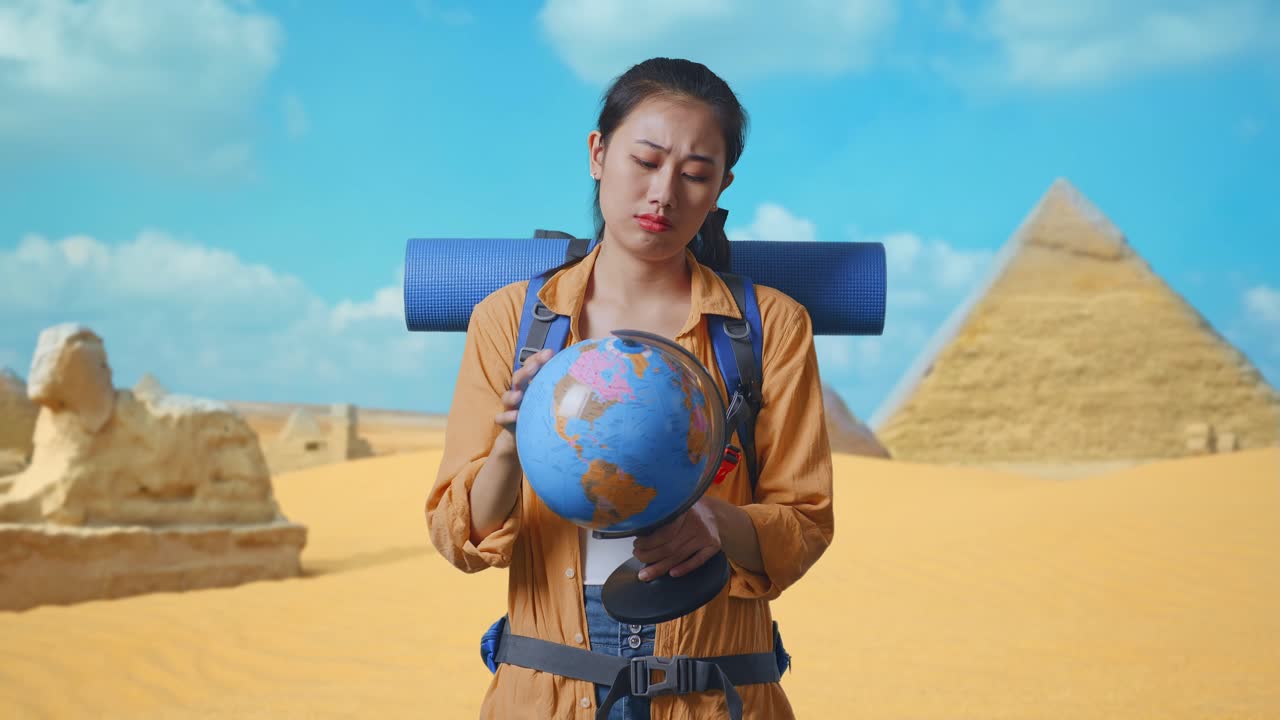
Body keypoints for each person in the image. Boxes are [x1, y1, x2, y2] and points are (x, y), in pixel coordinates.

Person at [427, 57, 834, 720]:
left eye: (695, 174)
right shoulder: (512, 321)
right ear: (598, 152)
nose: (664, 193)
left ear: (722, 184)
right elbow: (459, 535)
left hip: (716, 694)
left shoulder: (769, 327)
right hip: (547, 692)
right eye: (645, 161)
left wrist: (718, 523)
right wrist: (510, 445)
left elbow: (806, 523)